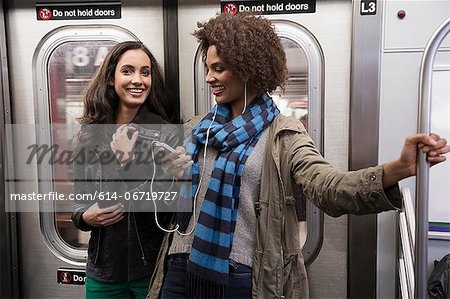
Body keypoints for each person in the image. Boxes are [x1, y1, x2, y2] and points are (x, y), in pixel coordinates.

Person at [147, 12, 450, 299]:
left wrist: (398, 169)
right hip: (178, 266)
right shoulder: (198, 128)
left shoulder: (283, 135)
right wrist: (167, 175)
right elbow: (169, 198)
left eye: (219, 68)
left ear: (248, 68)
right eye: (208, 69)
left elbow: (329, 188)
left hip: (239, 275)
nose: (209, 78)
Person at [71, 41, 180, 299]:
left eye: (145, 72)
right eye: (128, 71)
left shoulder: (166, 133)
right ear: (111, 78)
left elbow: (168, 208)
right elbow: (80, 202)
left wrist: (126, 163)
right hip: (104, 270)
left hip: (151, 268)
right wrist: (85, 218)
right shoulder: (89, 135)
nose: (138, 80)